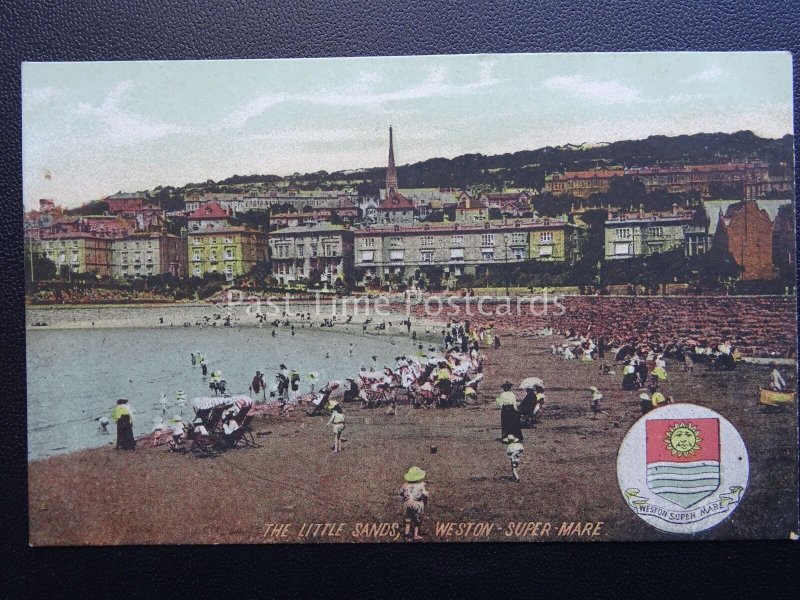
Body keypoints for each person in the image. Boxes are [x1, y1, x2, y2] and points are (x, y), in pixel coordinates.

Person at [400, 466, 429, 541]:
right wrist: (425, 500)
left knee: (408, 520)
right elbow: (425, 495)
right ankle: (415, 535)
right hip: (417, 504)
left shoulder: (405, 485)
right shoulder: (422, 485)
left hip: (408, 503)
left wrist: (406, 496)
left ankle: (406, 535)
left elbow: (401, 493)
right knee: (417, 520)